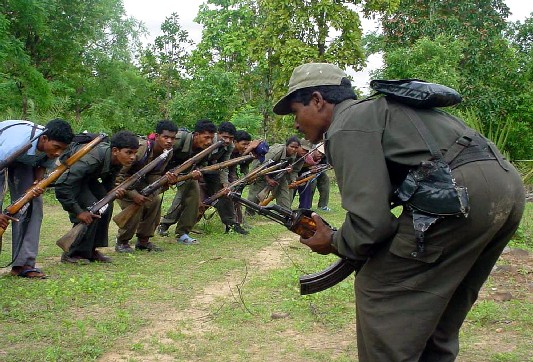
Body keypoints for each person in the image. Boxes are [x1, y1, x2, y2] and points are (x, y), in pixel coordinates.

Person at [273, 62, 526, 361]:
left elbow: (371, 225)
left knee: (379, 289)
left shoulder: (347, 123)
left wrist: (333, 241)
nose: (295, 124)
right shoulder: (383, 111)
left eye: (295, 112)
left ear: (317, 100)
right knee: (445, 302)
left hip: (459, 192)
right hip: (506, 186)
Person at [0, 119, 74, 278]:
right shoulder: (14, 144)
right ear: (44, 139)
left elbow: (43, 164)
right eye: (56, 148)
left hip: (24, 162)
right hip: (2, 158)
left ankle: (23, 265)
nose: (58, 153)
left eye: (63, 149)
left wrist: (37, 184)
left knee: (32, 205)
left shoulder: (50, 148)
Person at [55, 131, 139, 264]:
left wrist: (112, 193)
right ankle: (71, 252)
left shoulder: (118, 159)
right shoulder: (91, 159)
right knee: (92, 207)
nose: (133, 157)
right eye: (129, 152)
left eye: (135, 153)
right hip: (72, 181)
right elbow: (63, 185)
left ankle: (90, 250)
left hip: (88, 178)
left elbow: (108, 182)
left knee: (106, 205)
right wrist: (79, 212)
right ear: (115, 150)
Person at [114, 120, 178, 253]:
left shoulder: (167, 152)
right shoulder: (141, 149)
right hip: (122, 184)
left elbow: (155, 173)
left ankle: (143, 241)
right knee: (135, 206)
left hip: (141, 184)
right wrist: (133, 194)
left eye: (172, 138)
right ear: (157, 136)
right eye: (166, 137)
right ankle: (122, 241)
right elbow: (118, 175)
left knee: (154, 201)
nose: (169, 141)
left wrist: (163, 182)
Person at [157, 119, 216, 244]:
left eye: (211, 138)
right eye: (206, 137)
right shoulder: (176, 140)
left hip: (185, 174)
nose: (209, 141)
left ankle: (182, 233)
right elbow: (159, 155)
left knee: (194, 196)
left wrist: (197, 172)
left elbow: (203, 164)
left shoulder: (208, 148)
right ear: (196, 135)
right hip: (160, 172)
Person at [198, 121, 249, 235]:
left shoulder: (229, 146)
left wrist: (225, 184)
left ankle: (231, 224)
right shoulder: (209, 140)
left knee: (225, 195)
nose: (227, 140)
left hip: (211, 172)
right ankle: (166, 224)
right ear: (218, 134)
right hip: (196, 171)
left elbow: (224, 166)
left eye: (230, 138)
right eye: (224, 137)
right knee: (195, 200)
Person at [247, 136, 301, 210]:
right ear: (286, 145)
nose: (294, 149)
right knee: (255, 195)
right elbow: (262, 164)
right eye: (291, 147)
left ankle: (285, 213)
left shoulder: (294, 154)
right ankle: (249, 213)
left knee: (283, 193)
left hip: (278, 173)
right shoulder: (276, 151)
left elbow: (290, 168)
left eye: (296, 147)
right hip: (260, 170)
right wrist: (268, 179)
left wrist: (289, 171)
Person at [229, 130, 261, 225]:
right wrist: (249, 149)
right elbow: (233, 161)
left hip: (231, 174)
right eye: (244, 144)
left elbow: (244, 165)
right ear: (235, 142)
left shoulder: (242, 151)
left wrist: (249, 176)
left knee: (236, 196)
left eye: (248, 144)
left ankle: (239, 222)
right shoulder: (228, 149)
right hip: (219, 174)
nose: (246, 146)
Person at [293, 139, 323, 209]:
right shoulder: (291, 154)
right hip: (289, 175)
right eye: (303, 149)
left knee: (305, 185)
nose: (305, 152)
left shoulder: (306, 157)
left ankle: (305, 208)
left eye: (307, 151)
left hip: (299, 174)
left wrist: (310, 170)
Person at [310, 144, 331, 211]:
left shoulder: (323, 158)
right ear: (315, 150)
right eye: (319, 152)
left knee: (325, 179)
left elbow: (326, 165)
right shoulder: (307, 155)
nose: (320, 155)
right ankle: (307, 205)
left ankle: (323, 205)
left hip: (318, 173)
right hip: (306, 174)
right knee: (313, 182)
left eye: (322, 154)